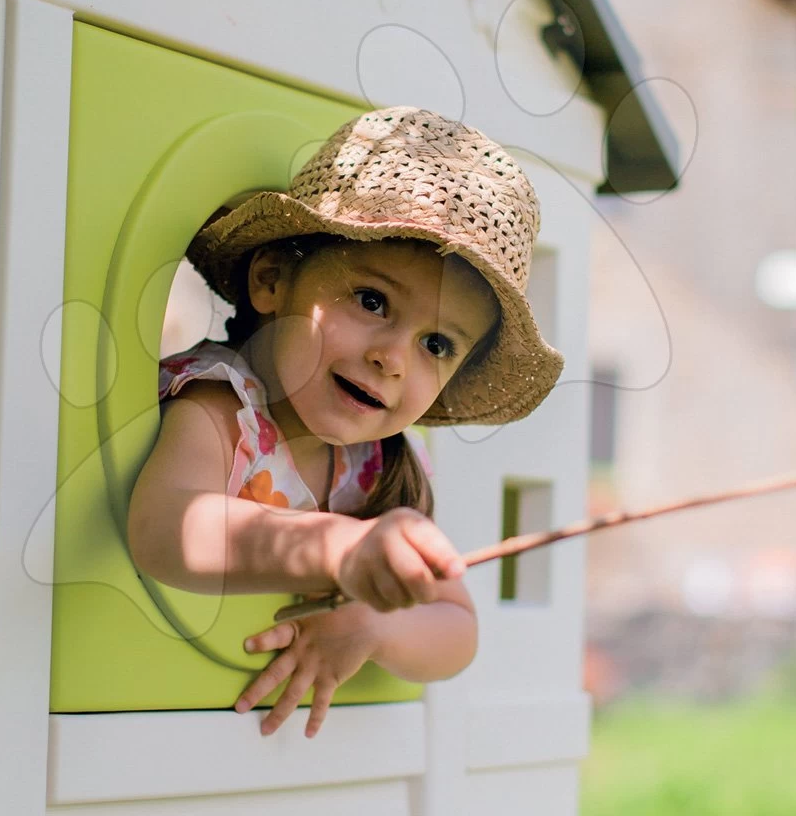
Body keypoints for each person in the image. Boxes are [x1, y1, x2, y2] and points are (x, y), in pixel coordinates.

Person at [128, 106, 564, 736]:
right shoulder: (221, 407)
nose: (392, 357)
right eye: (372, 301)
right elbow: (165, 528)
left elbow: (458, 631)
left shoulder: (380, 467)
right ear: (273, 279)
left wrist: (373, 626)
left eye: (436, 345)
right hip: (154, 730)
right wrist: (341, 549)